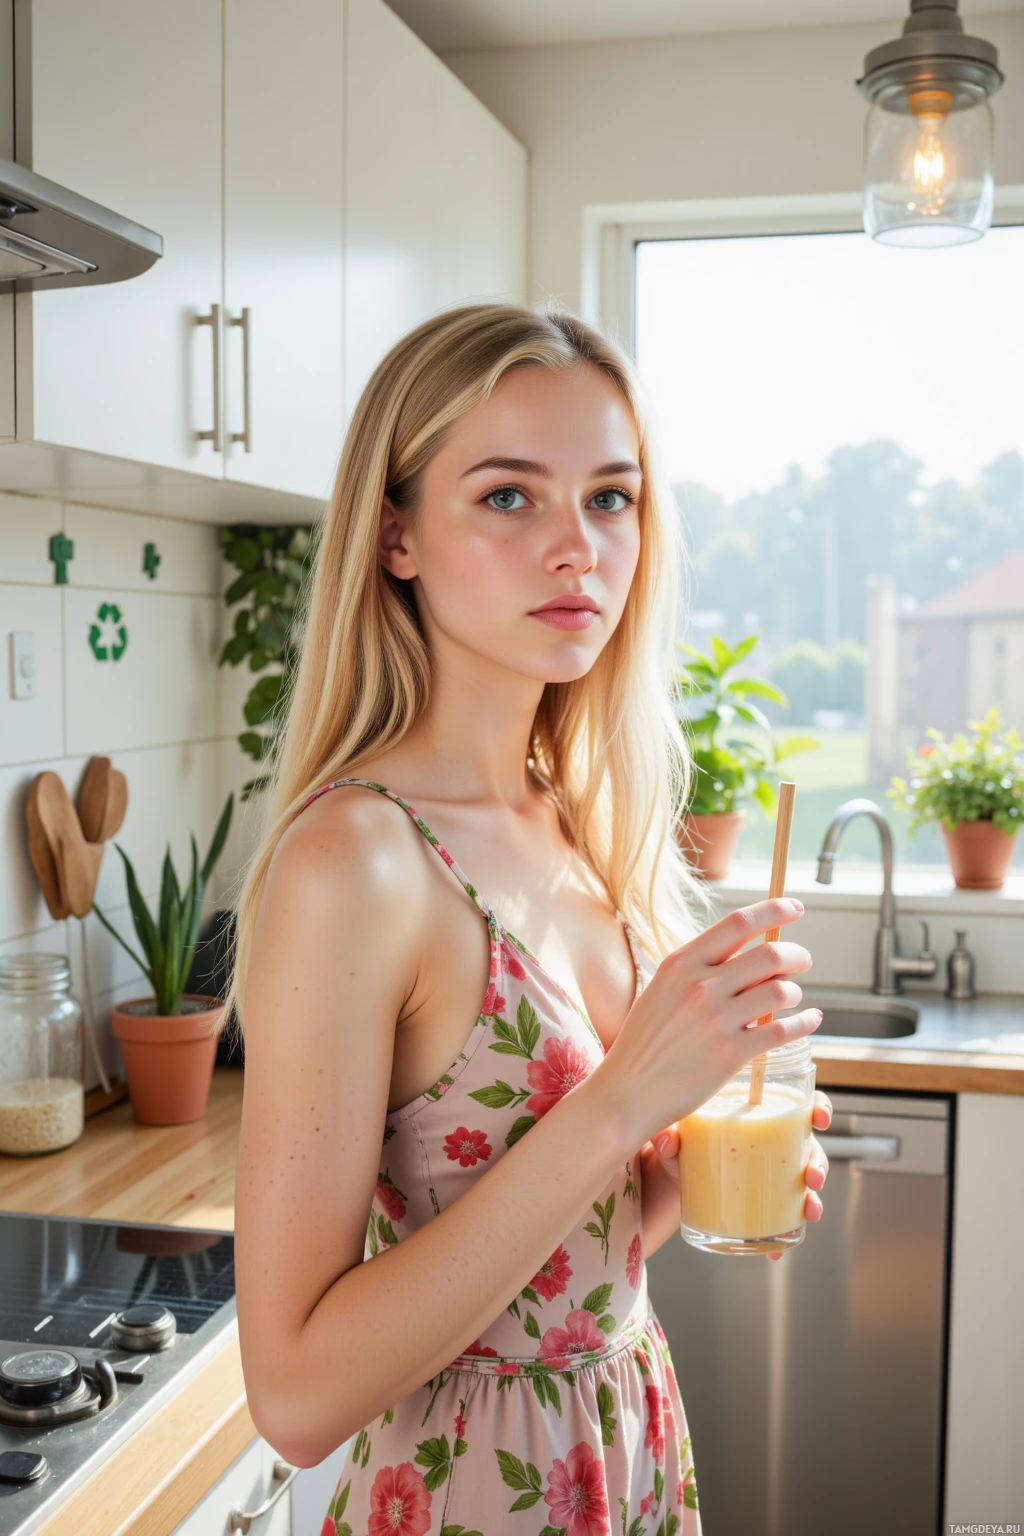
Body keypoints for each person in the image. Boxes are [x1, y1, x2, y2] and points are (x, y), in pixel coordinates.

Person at [225, 303, 832, 1536]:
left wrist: (689, 1176)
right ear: (396, 536)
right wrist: (620, 1100)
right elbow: (292, 1396)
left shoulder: (580, 823)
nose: (578, 548)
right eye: (510, 497)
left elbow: (574, 1250)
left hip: (624, 1455)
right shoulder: (359, 859)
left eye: (610, 498)